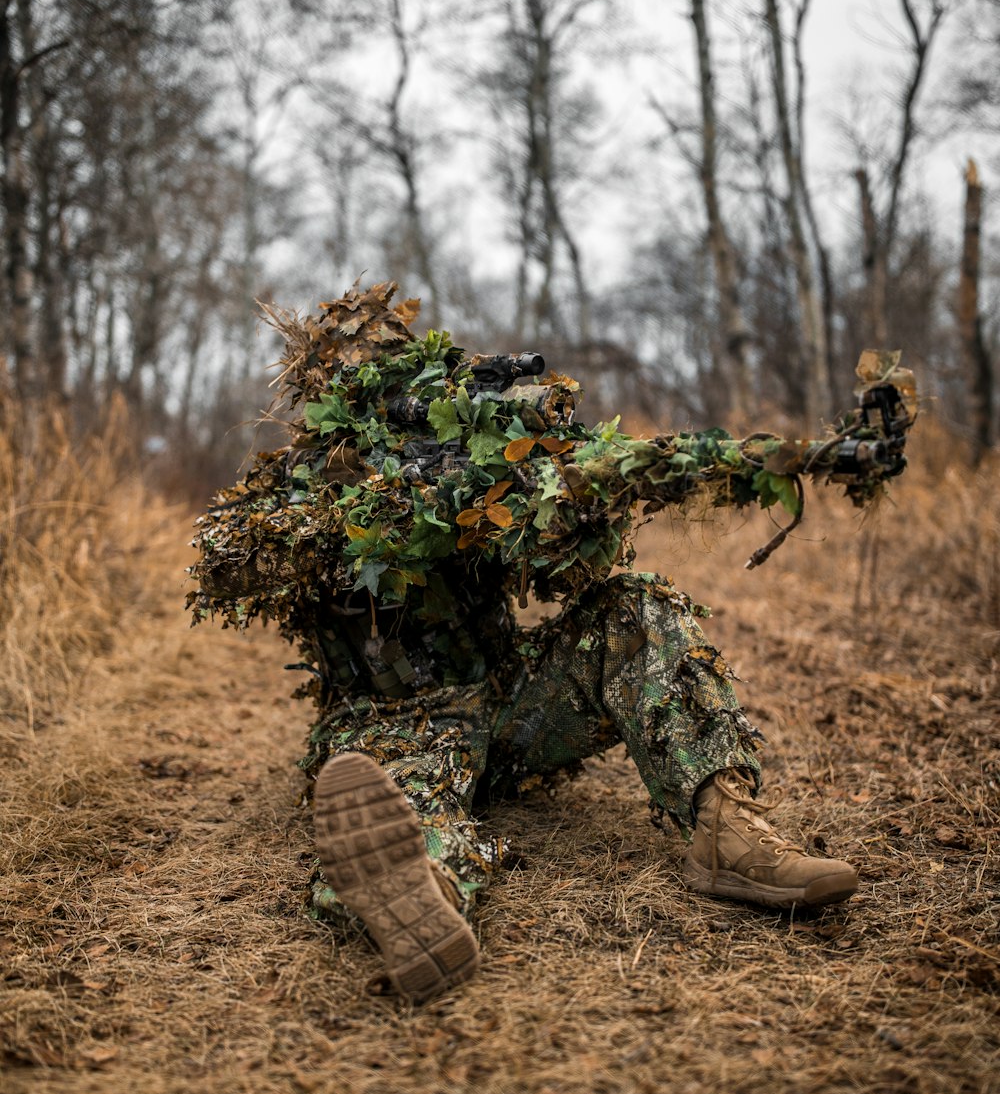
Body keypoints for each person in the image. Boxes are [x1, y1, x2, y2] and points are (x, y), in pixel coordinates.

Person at [190, 281, 915, 1002]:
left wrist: (819, 456)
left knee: (639, 605)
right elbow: (222, 563)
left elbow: (640, 466)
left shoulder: (469, 461)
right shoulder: (292, 487)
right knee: (394, 818)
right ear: (326, 396)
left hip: (513, 707)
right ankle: (423, 899)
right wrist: (372, 518)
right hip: (386, 730)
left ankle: (728, 833)